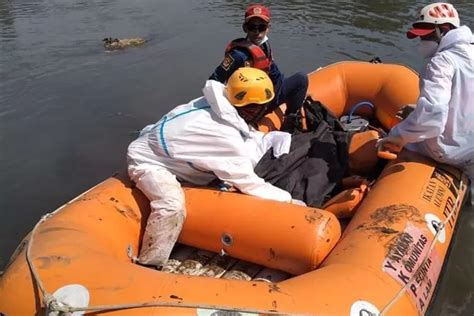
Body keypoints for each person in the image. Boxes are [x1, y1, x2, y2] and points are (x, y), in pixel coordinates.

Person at [127, 68, 297, 267]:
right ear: (252, 107)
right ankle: (150, 263)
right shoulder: (222, 135)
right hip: (148, 161)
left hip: (166, 150)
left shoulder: (211, 103)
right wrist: (290, 201)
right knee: (171, 206)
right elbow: (250, 184)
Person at [377, 2, 473, 180]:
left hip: (446, 151)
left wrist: (397, 136)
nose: (422, 41)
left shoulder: (441, 62)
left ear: (442, 30)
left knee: (386, 139)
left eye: (425, 36)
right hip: (470, 151)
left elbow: (432, 118)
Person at [209, 4, 308, 131]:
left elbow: (276, 75)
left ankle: (289, 122)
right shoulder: (238, 56)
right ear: (245, 28)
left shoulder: (265, 46)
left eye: (261, 27)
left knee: (301, 79)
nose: (257, 32)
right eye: (252, 27)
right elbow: (214, 81)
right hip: (252, 105)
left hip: (270, 93)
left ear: (268, 28)